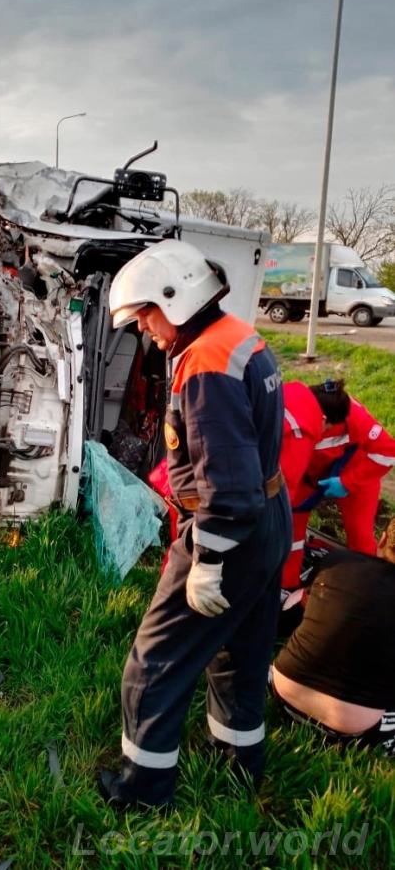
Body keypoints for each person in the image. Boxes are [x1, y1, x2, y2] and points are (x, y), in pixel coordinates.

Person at [98, 240, 291, 810]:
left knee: (155, 660)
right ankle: (238, 765)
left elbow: (226, 487)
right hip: (267, 520)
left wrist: (207, 561)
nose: (144, 330)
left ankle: (142, 789)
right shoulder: (237, 337)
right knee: (243, 652)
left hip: (229, 530)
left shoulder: (206, 362)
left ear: (173, 298)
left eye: (145, 316)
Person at [271, 517, 395, 757]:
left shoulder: (338, 561)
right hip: (353, 727)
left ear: (381, 540)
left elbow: (290, 610)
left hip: (283, 693)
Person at [281, 379, 395, 591]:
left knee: (361, 539)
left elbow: (388, 452)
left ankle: (367, 591)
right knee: (290, 532)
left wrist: (347, 482)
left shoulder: (355, 417)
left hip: (356, 470)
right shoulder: (289, 408)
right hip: (307, 474)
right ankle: (287, 586)